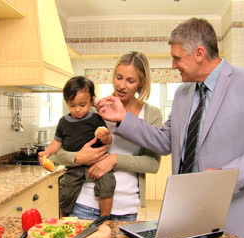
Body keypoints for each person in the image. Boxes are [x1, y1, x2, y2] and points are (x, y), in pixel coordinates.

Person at [97, 18, 244, 238]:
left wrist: (228, 176)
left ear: (199, 53)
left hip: (235, 213)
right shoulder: (183, 93)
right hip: (187, 213)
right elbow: (165, 141)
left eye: (177, 58)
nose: (173, 66)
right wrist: (124, 118)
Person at [51, 51, 163, 221]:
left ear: (141, 83)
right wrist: (78, 157)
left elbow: (153, 164)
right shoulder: (93, 109)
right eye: (118, 77)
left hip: (126, 208)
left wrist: (114, 159)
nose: (122, 86)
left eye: (130, 81)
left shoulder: (151, 114)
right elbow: (57, 154)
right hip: (84, 204)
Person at [39, 76, 115, 217]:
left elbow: (108, 140)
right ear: (67, 102)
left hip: (97, 164)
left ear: (91, 100)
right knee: (65, 190)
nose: (77, 110)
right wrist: (47, 153)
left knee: (108, 183)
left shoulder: (96, 119)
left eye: (82, 105)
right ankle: (65, 217)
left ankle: (105, 217)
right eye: (72, 105)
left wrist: (106, 137)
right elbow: (57, 142)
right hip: (74, 167)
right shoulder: (63, 122)